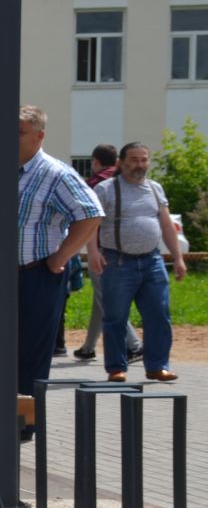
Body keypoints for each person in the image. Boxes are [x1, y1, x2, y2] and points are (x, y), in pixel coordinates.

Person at [0, 108, 102, 399]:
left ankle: (23, 423)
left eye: (19, 132)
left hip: (38, 275)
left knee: (31, 352)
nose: (11, 139)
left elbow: (90, 215)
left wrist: (61, 257)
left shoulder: (56, 173)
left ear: (40, 136)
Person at [89, 141, 185, 383]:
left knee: (159, 316)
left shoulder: (155, 188)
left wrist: (178, 257)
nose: (139, 165)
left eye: (144, 160)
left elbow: (165, 224)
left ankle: (157, 366)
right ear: (121, 162)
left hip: (152, 261)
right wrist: (92, 251)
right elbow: (91, 222)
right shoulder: (106, 189)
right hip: (118, 262)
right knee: (115, 317)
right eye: (133, 160)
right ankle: (116, 368)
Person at [74, 144, 144, 363]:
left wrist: (89, 249)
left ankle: (134, 345)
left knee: (106, 298)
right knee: (100, 298)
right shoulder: (119, 182)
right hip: (119, 252)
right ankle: (88, 347)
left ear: (95, 162)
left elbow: (87, 219)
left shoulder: (96, 185)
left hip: (104, 251)